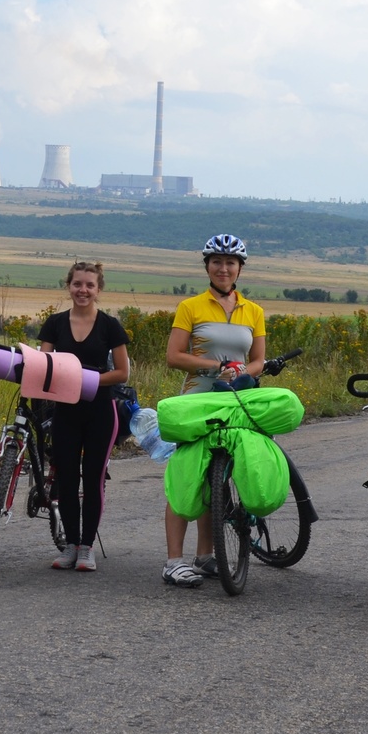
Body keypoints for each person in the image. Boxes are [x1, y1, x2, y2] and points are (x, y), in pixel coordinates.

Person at [160, 233, 265, 588]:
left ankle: (205, 556)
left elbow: (259, 361)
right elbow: (174, 356)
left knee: (215, 481)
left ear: (239, 269)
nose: (223, 268)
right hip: (197, 400)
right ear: (207, 266)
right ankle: (174, 561)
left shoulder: (254, 311)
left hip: (234, 401)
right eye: (217, 262)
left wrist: (240, 371)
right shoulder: (191, 306)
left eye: (230, 263)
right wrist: (213, 366)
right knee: (186, 478)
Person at [37, 261, 131, 572]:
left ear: (99, 289)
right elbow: (43, 364)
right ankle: (70, 546)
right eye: (78, 284)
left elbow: (122, 373)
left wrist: (82, 379)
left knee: (92, 480)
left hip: (101, 412)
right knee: (65, 478)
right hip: (64, 412)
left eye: (90, 285)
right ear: (69, 286)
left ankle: (87, 547)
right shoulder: (55, 323)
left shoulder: (110, 326)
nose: (83, 290)